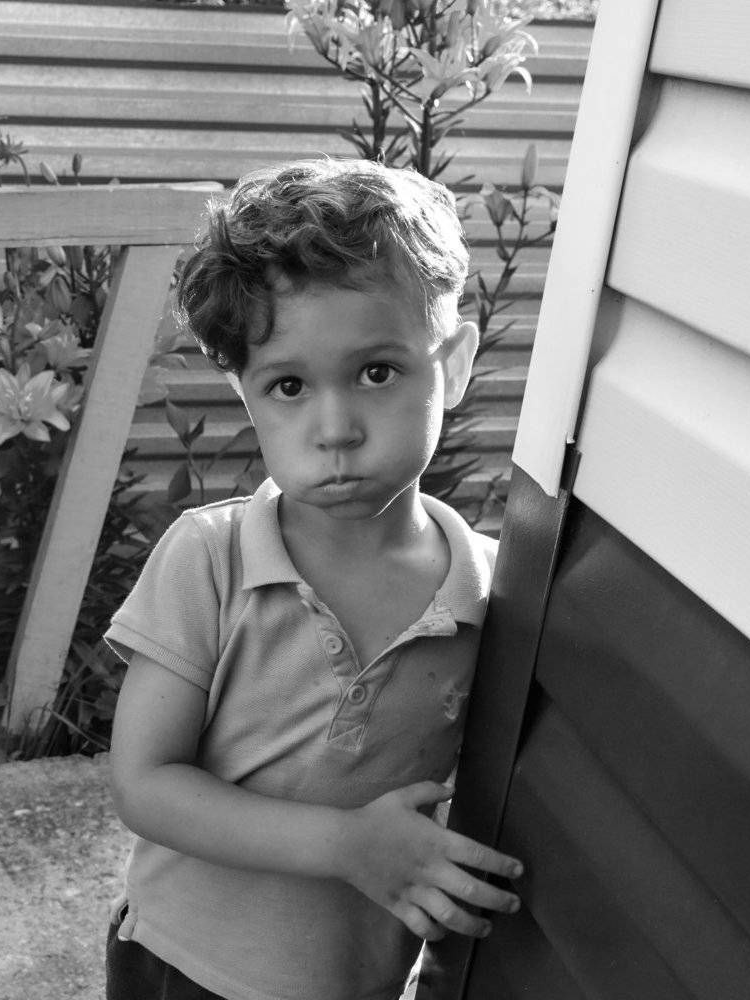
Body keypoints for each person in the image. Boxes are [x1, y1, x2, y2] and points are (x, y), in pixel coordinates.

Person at [104, 158, 524, 1000]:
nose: (336, 428)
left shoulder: (491, 596)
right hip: (182, 964)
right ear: (246, 395)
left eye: (377, 372)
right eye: (290, 385)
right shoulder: (209, 559)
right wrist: (345, 844)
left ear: (453, 365)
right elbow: (144, 785)